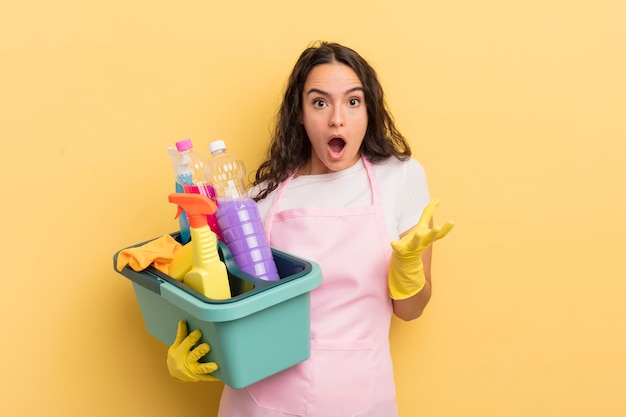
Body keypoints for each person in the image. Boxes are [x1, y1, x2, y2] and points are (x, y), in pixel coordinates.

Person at [166, 41, 454, 416]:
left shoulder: (400, 178)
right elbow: (230, 303)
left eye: (353, 102)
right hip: (261, 402)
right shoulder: (258, 201)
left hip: (360, 400)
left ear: (369, 110)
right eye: (320, 102)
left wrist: (409, 273)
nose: (337, 119)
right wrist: (200, 346)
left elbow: (410, 310)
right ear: (300, 114)